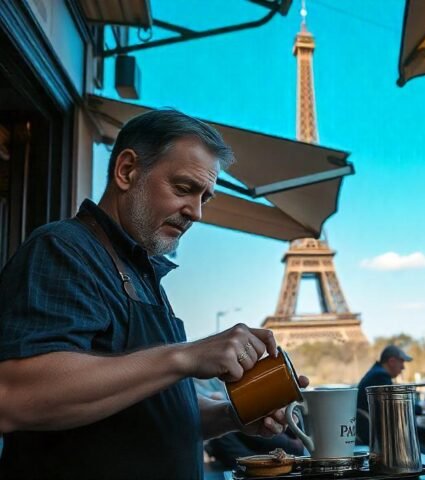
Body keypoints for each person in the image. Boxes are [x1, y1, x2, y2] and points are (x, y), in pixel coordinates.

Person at [0, 109, 308, 478]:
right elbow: (15, 398)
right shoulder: (63, 248)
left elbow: (153, 407)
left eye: (204, 198)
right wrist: (186, 355)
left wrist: (233, 415)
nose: (195, 212)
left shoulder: (139, 270)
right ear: (127, 170)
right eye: (183, 188)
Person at [355, 345, 412, 444]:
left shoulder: (376, 372)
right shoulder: (381, 376)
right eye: (402, 361)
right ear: (392, 361)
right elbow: (395, 406)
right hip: (374, 434)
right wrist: (421, 407)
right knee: (421, 433)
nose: (403, 367)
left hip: (368, 429)